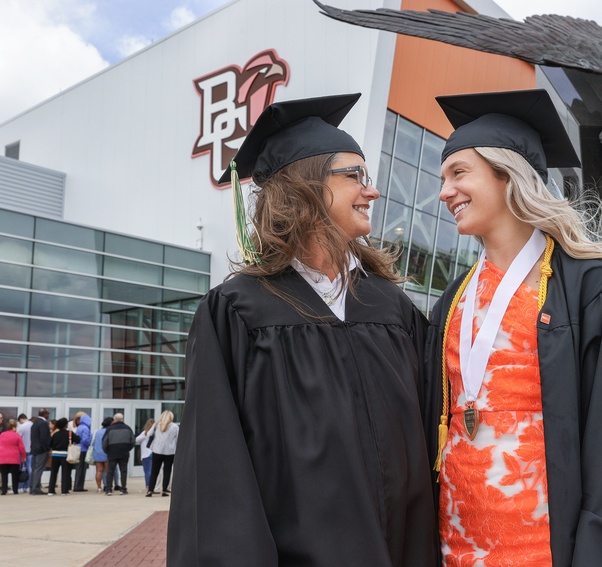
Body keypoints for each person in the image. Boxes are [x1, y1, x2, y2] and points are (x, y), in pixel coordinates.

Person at [426, 89, 602, 565]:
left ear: (508, 174)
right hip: (459, 541)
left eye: (459, 173)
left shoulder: (589, 288)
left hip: (546, 544)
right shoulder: (454, 300)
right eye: (443, 178)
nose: (444, 192)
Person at [167, 93, 436, 566]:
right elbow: (215, 472)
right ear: (304, 187)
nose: (372, 192)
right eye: (355, 176)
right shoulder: (239, 311)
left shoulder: (393, 308)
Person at [146, 411, 178, 497]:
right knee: (167, 471)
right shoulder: (174, 426)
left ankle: (150, 490)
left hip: (157, 450)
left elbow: (148, 434)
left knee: (154, 471)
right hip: (170, 451)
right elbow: (178, 438)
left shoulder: (157, 425)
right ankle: (164, 490)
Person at [102, 413, 134, 495]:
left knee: (110, 471)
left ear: (114, 419)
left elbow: (104, 442)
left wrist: (107, 451)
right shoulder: (128, 428)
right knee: (123, 471)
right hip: (124, 452)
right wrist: (127, 449)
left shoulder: (109, 429)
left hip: (112, 452)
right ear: (122, 419)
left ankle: (108, 489)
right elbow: (132, 441)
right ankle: (123, 489)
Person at [47, 417, 79, 495]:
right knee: (65, 473)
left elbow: (49, 444)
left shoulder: (55, 434)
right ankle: (64, 490)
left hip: (55, 455)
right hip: (65, 455)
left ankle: (51, 490)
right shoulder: (69, 433)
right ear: (66, 425)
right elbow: (78, 440)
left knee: (53, 472)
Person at [0, 419, 26, 495]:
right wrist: (24, 456)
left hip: (3, 457)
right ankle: (15, 490)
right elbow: (21, 447)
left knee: (4, 475)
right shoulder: (17, 435)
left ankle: (4, 490)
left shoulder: (2, 435)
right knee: (15, 475)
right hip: (14, 458)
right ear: (14, 427)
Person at [29, 408, 50, 495]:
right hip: (41, 450)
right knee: (38, 469)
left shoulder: (35, 423)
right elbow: (44, 437)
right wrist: (47, 448)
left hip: (35, 449)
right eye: (48, 413)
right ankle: (36, 488)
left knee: (35, 469)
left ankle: (32, 487)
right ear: (44, 414)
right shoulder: (43, 423)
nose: (48, 415)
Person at [92, 417, 116, 494]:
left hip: (97, 453)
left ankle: (99, 487)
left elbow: (92, 442)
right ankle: (108, 486)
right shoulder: (110, 431)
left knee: (99, 471)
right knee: (109, 471)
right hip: (107, 453)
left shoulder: (97, 432)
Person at [72, 412, 91, 492]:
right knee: (82, 469)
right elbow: (85, 440)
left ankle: (77, 485)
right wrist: (90, 444)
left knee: (78, 468)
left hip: (78, 448)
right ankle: (79, 486)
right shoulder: (86, 428)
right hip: (83, 449)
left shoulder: (79, 427)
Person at [135, 418, 155, 493]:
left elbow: (137, 439)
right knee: (153, 471)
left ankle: (148, 485)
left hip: (146, 454)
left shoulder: (145, 433)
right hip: (154, 453)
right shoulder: (156, 433)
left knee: (147, 471)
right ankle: (153, 485)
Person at [16, 414, 32, 493]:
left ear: (21, 419)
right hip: (31, 449)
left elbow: (18, 438)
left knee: (22, 469)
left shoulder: (22, 427)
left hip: (23, 450)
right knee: (29, 468)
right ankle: (28, 486)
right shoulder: (32, 425)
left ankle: (21, 487)